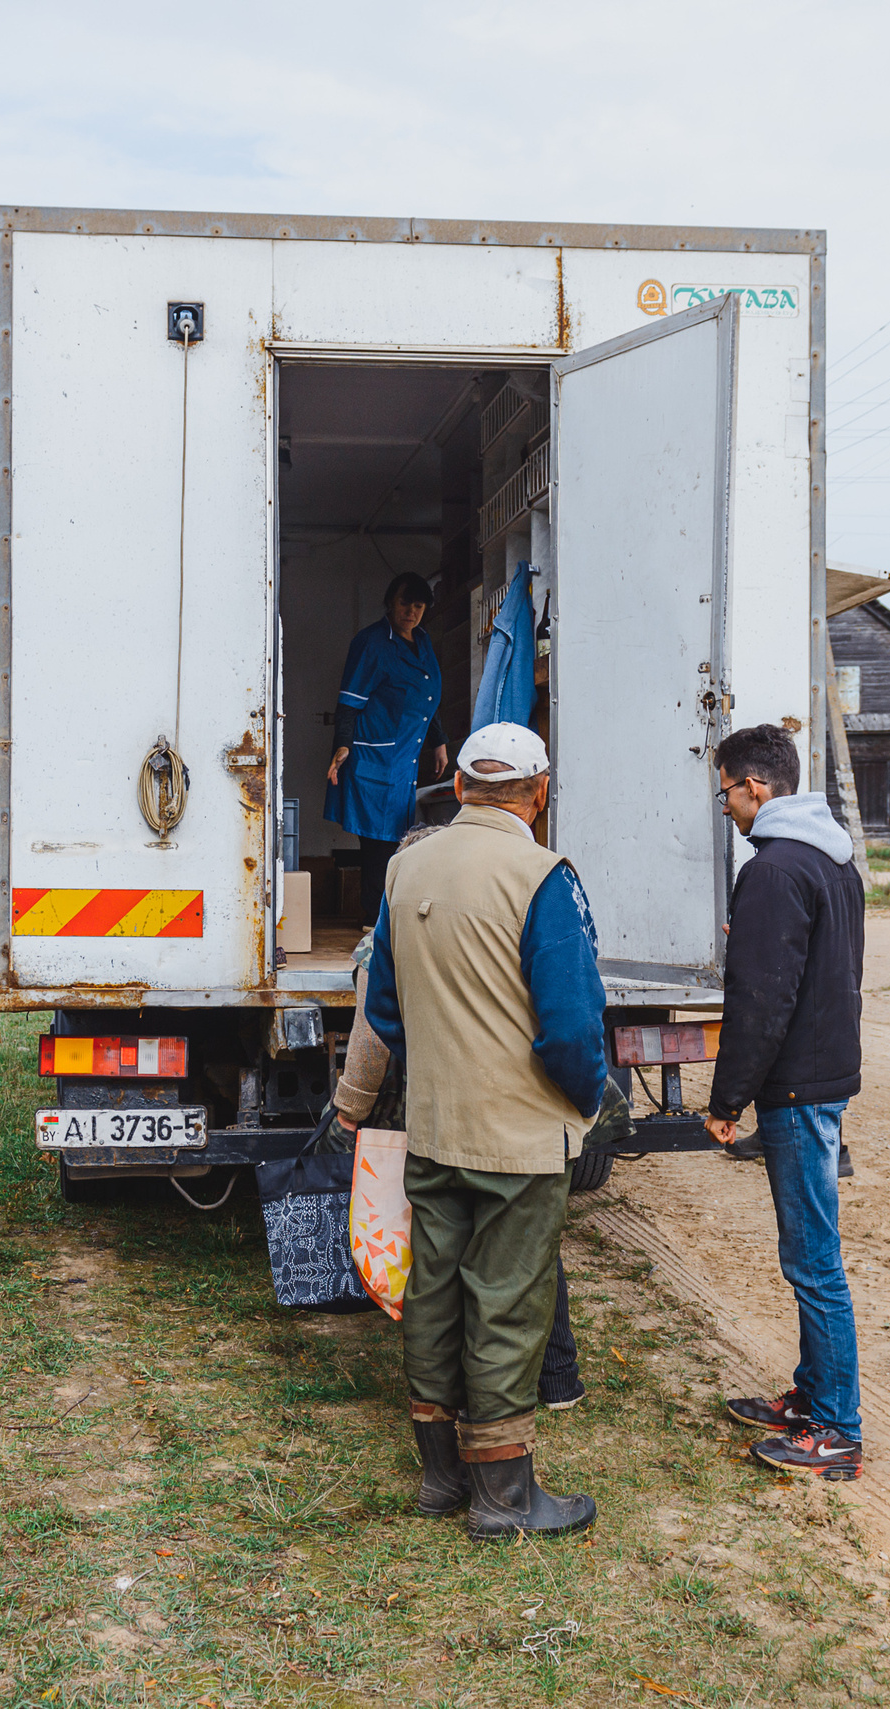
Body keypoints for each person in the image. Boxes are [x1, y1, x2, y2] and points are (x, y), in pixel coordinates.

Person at [363, 722, 603, 1541]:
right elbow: (571, 1028)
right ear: (539, 792)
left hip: (434, 1127)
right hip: (519, 1137)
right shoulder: (543, 877)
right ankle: (503, 1495)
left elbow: (385, 1010)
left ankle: (440, 1475)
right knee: (505, 1297)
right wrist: (586, 1103)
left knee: (433, 1290)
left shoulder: (404, 868)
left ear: (459, 787)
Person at [327, 826, 590, 1413]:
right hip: (515, 1110)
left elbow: (375, 1034)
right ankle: (557, 1376)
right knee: (527, 1252)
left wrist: (350, 1106)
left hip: (437, 1111)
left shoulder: (388, 941)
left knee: (449, 1260)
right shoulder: (503, 914)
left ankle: (463, 1405)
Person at [702, 724, 867, 1478]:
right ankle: (809, 1397)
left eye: (727, 789)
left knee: (813, 1261)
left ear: (756, 786)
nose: (727, 804)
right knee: (810, 1252)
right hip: (822, 1073)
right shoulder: (833, 859)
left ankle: (835, 1428)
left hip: (796, 1085)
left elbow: (760, 998)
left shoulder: (772, 871)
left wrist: (729, 1096)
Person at [326, 571, 450, 917]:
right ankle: (372, 920)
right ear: (390, 603)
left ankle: (389, 917)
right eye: (404, 603)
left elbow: (427, 698)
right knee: (378, 842)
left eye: (419, 605)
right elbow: (349, 700)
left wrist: (438, 742)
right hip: (373, 757)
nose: (411, 611)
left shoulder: (423, 642)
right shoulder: (372, 642)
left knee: (398, 838)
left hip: (405, 757)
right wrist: (342, 745)